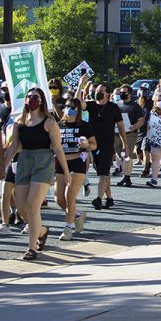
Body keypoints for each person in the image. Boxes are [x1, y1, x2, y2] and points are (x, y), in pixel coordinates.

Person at [2, 88, 71, 260]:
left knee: (33, 205)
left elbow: (57, 147)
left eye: (36, 97)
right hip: (24, 161)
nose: (32, 99)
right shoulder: (20, 121)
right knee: (22, 208)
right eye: (29, 97)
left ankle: (31, 248)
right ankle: (41, 230)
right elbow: (14, 146)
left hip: (43, 162)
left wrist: (66, 172)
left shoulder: (49, 121)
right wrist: (3, 165)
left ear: (41, 101)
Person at [78, 75, 126, 210]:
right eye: (96, 91)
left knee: (104, 172)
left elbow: (121, 127)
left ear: (108, 94)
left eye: (101, 91)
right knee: (102, 173)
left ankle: (98, 199)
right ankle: (109, 198)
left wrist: (125, 145)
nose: (97, 93)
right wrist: (81, 85)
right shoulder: (91, 105)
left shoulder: (113, 108)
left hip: (107, 144)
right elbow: (78, 102)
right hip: (93, 144)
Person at [55, 98, 96, 239]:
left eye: (72, 107)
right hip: (61, 163)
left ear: (78, 109)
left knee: (69, 195)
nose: (69, 109)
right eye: (66, 106)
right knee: (58, 199)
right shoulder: (59, 125)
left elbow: (94, 145)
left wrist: (87, 145)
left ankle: (68, 228)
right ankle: (78, 214)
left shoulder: (84, 126)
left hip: (77, 162)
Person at [115, 85, 145, 187]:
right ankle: (125, 175)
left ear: (129, 93)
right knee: (121, 156)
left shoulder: (135, 106)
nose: (122, 94)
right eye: (121, 92)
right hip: (117, 134)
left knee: (127, 155)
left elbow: (141, 120)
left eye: (124, 92)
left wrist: (135, 126)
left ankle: (127, 177)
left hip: (130, 134)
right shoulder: (117, 105)